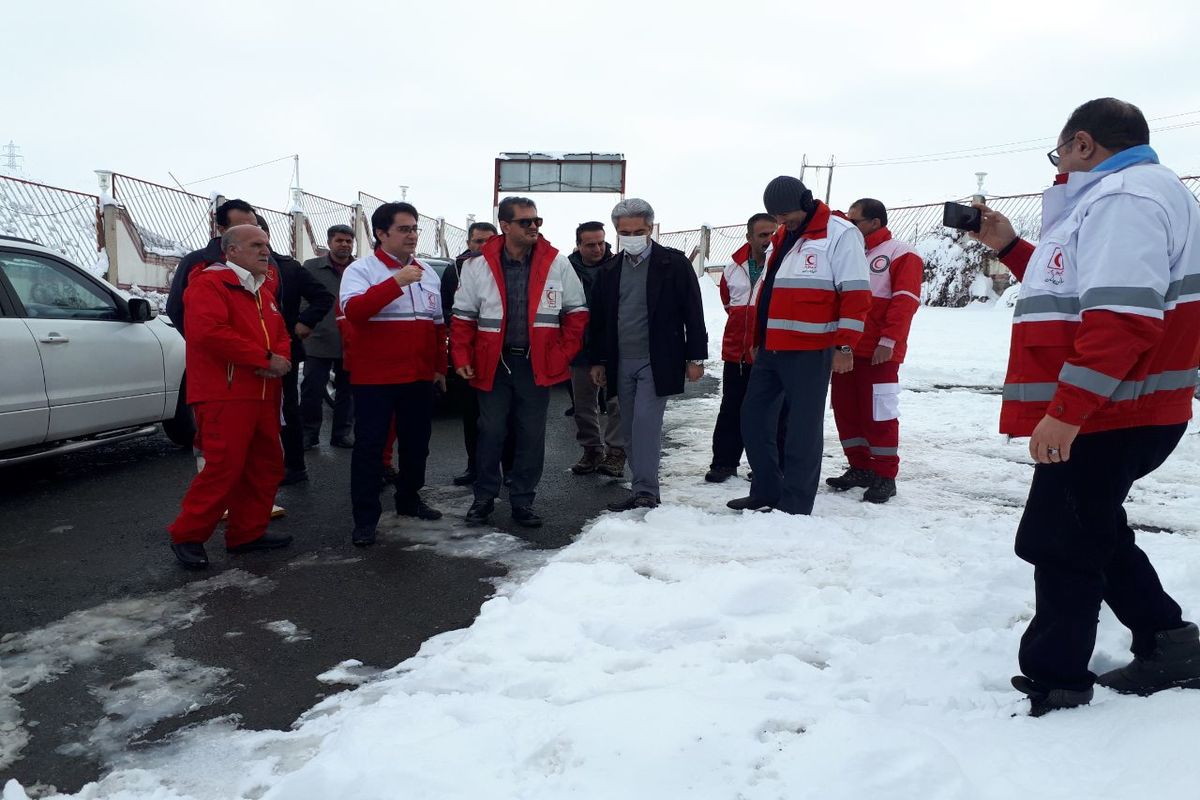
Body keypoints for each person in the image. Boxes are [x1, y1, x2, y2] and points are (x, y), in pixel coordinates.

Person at [971, 98, 1200, 716]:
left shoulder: (1124, 200)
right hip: (1123, 402)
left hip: (1111, 407)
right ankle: (1169, 640)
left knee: (1059, 537)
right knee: (1094, 525)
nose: (1059, 165)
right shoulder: (1125, 198)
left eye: (1060, 152)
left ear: (1082, 143)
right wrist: (1014, 246)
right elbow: (1073, 288)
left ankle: (1058, 678)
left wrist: (1068, 411)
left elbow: (1121, 318)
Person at [727, 176, 871, 515]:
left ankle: (795, 501)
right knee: (752, 417)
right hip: (771, 349)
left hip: (811, 349)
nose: (781, 221)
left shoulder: (839, 233)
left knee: (802, 430)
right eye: (776, 216)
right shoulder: (782, 236)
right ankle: (766, 489)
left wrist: (845, 346)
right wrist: (758, 340)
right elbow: (769, 292)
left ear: (806, 202)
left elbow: (856, 294)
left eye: (786, 214)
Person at [451, 196, 587, 528]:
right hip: (492, 364)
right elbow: (463, 317)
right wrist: (462, 356)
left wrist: (561, 354)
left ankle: (523, 501)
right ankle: (483, 497)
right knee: (491, 432)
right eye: (525, 222)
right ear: (506, 225)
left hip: (535, 364)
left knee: (530, 434)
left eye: (537, 221)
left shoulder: (556, 262)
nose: (533, 227)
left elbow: (577, 313)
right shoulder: (477, 264)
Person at [166, 225, 294, 569]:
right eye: (256, 245)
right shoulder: (209, 284)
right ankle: (187, 535)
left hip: (264, 392)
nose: (265, 251)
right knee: (224, 468)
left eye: (266, 244)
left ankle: (247, 533)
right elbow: (210, 333)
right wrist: (265, 359)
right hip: (225, 394)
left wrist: (278, 360)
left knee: (265, 465)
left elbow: (280, 331)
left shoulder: (262, 290)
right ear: (232, 251)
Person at [589, 199, 708, 511]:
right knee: (628, 427)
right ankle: (641, 484)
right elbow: (600, 321)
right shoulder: (610, 270)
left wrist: (695, 357)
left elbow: (693, 312)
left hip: (658, 359)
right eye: (624, 231)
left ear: (651, 228)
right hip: (621, 361)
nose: (632, 236)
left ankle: (645, 491)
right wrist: (599, 361)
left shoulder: (674, 264)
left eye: (638, 230)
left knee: (645, 423)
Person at [340, 202, 447, 546]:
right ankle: (365, 519)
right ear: (381, 234)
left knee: (417, 445)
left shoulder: (427, 272)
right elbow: (354, 312)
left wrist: (438, 368)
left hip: (417, 376)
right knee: (370, 448)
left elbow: (437, 326)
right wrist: (396, 282)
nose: (412, 235)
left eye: (414, 228)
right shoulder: (361, 270)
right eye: (403, 229)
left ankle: (409, 500)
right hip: (375, 378)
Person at [826, 199, 922, 503]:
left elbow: (905, 301)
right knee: (846, 410)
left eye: (856, 221)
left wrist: (888, 342)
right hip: (847, 349)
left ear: (875, 223)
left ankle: (884, 475)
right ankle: (859, 467)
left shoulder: (901, 253)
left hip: (878, 352)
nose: (850, 226)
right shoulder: (849, 252)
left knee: (879, 414)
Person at [256, 215, 334, 486]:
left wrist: (305, 321)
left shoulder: (288, 267)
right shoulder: (214, 267)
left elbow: (323, 297)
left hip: (283, 353)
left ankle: (294, 466)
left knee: (287, 410)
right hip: (241, 357)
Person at [706, 212, 780, 483]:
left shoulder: (782, 264)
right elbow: (729, 305)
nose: (769, 240)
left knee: (772, 413)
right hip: (737, 352)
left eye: (773, 234)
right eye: (762, 235)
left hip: (771, 352)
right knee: (732, 408)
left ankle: (769, 466)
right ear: (749, 237)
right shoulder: (732, 267)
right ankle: (724, 463)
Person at [440, 222, 514, 486]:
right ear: (469, 243)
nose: (482, 247)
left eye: (488, 241)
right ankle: (474, 466)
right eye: (477, 241)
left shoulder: (510, 267)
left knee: (507, 417)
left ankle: (510, 468)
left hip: (502, 355)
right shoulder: (455, 270)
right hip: (469, 354)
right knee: (472, 415)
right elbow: (447, 310)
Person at [568, 221, 625, 477]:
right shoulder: (566, 269)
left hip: (614, 343)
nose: (597, 248)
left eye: (601, 242)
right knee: (584, 404)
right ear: (579, 245)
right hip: (580, 344)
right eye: (590, 244)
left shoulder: (618, 266)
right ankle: (592, 450)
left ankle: (615, 454)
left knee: (616, 402)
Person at [166, 198, 260, 338]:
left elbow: (276, 310)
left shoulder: (267, 264)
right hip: (213, 355)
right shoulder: (195, 263)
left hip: (262, 355)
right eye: (243, 228)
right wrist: (201, 342)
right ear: (222, 230)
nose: (252, 233)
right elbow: (176, 309)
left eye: (254, 227)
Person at [300, 224, 357, 450]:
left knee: (348, 391)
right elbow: (303, 297)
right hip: (319, 338)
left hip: (351, 340)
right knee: (313, 389)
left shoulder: (359, 268)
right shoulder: (312, 267)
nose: (344, 245)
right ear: (330, 242)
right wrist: (307, 323)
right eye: (339, 241)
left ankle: (342, 434)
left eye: (348, 241)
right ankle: (309, 434)